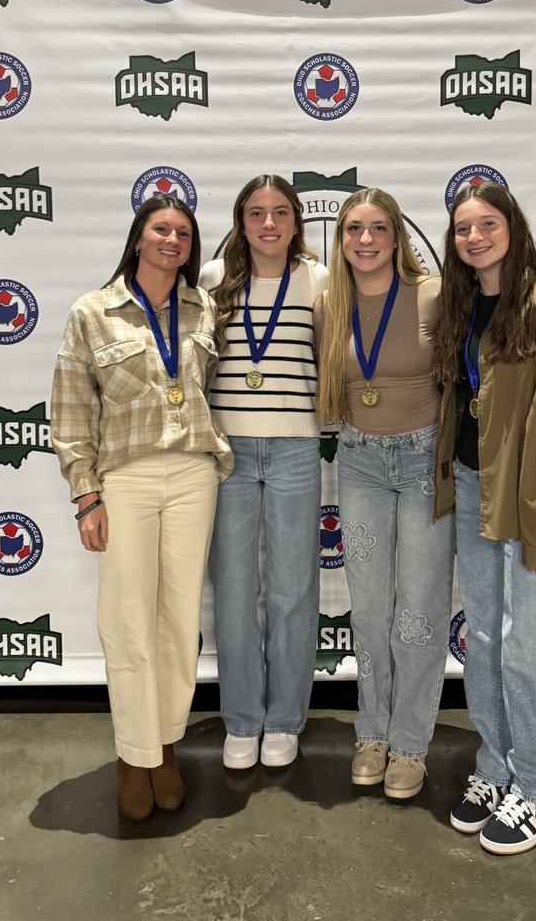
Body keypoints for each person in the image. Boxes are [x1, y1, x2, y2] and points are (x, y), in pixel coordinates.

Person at [51, 195, 233, 821]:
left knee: (178, 621)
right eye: (161, 229)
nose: (172, 240)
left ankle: (165, 743)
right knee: (128, 617)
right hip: (123, 479)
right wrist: (85, 495)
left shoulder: (203, 307)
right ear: (137, 239)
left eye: (183, 233)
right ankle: (134, 754)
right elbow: (72, 409)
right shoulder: (92, 312)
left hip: (193, 474)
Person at [432, 181, 536, 855]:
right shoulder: (464, 302)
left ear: (513, 226)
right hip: (476, 490)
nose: (474, 237)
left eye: (487, 223)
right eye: (463, 228)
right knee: (488, 645)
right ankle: (499, 765)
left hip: (534, 503)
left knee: (531, 652)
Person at [314, 188, 453, 801]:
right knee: (369, 608)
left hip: (424, 462)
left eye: (377, 229)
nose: (364, 240)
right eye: (352, 230)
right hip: (361, 460)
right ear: (340, 240)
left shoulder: (433, 295)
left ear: (397, 238)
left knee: (419, 609)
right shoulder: (328, 304)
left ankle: (411, 743)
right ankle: (371, 731)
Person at [199, 175, 328, 770]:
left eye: (280, 213)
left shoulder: (320, 281)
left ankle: (284, 719)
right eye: (256, 213)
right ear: (241, 221)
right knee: (232, 589)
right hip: (229, 452)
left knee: (291, 588)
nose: (269, 224)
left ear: (296, 222)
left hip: (297, 447)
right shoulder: (213, 280)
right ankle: (243, 718)